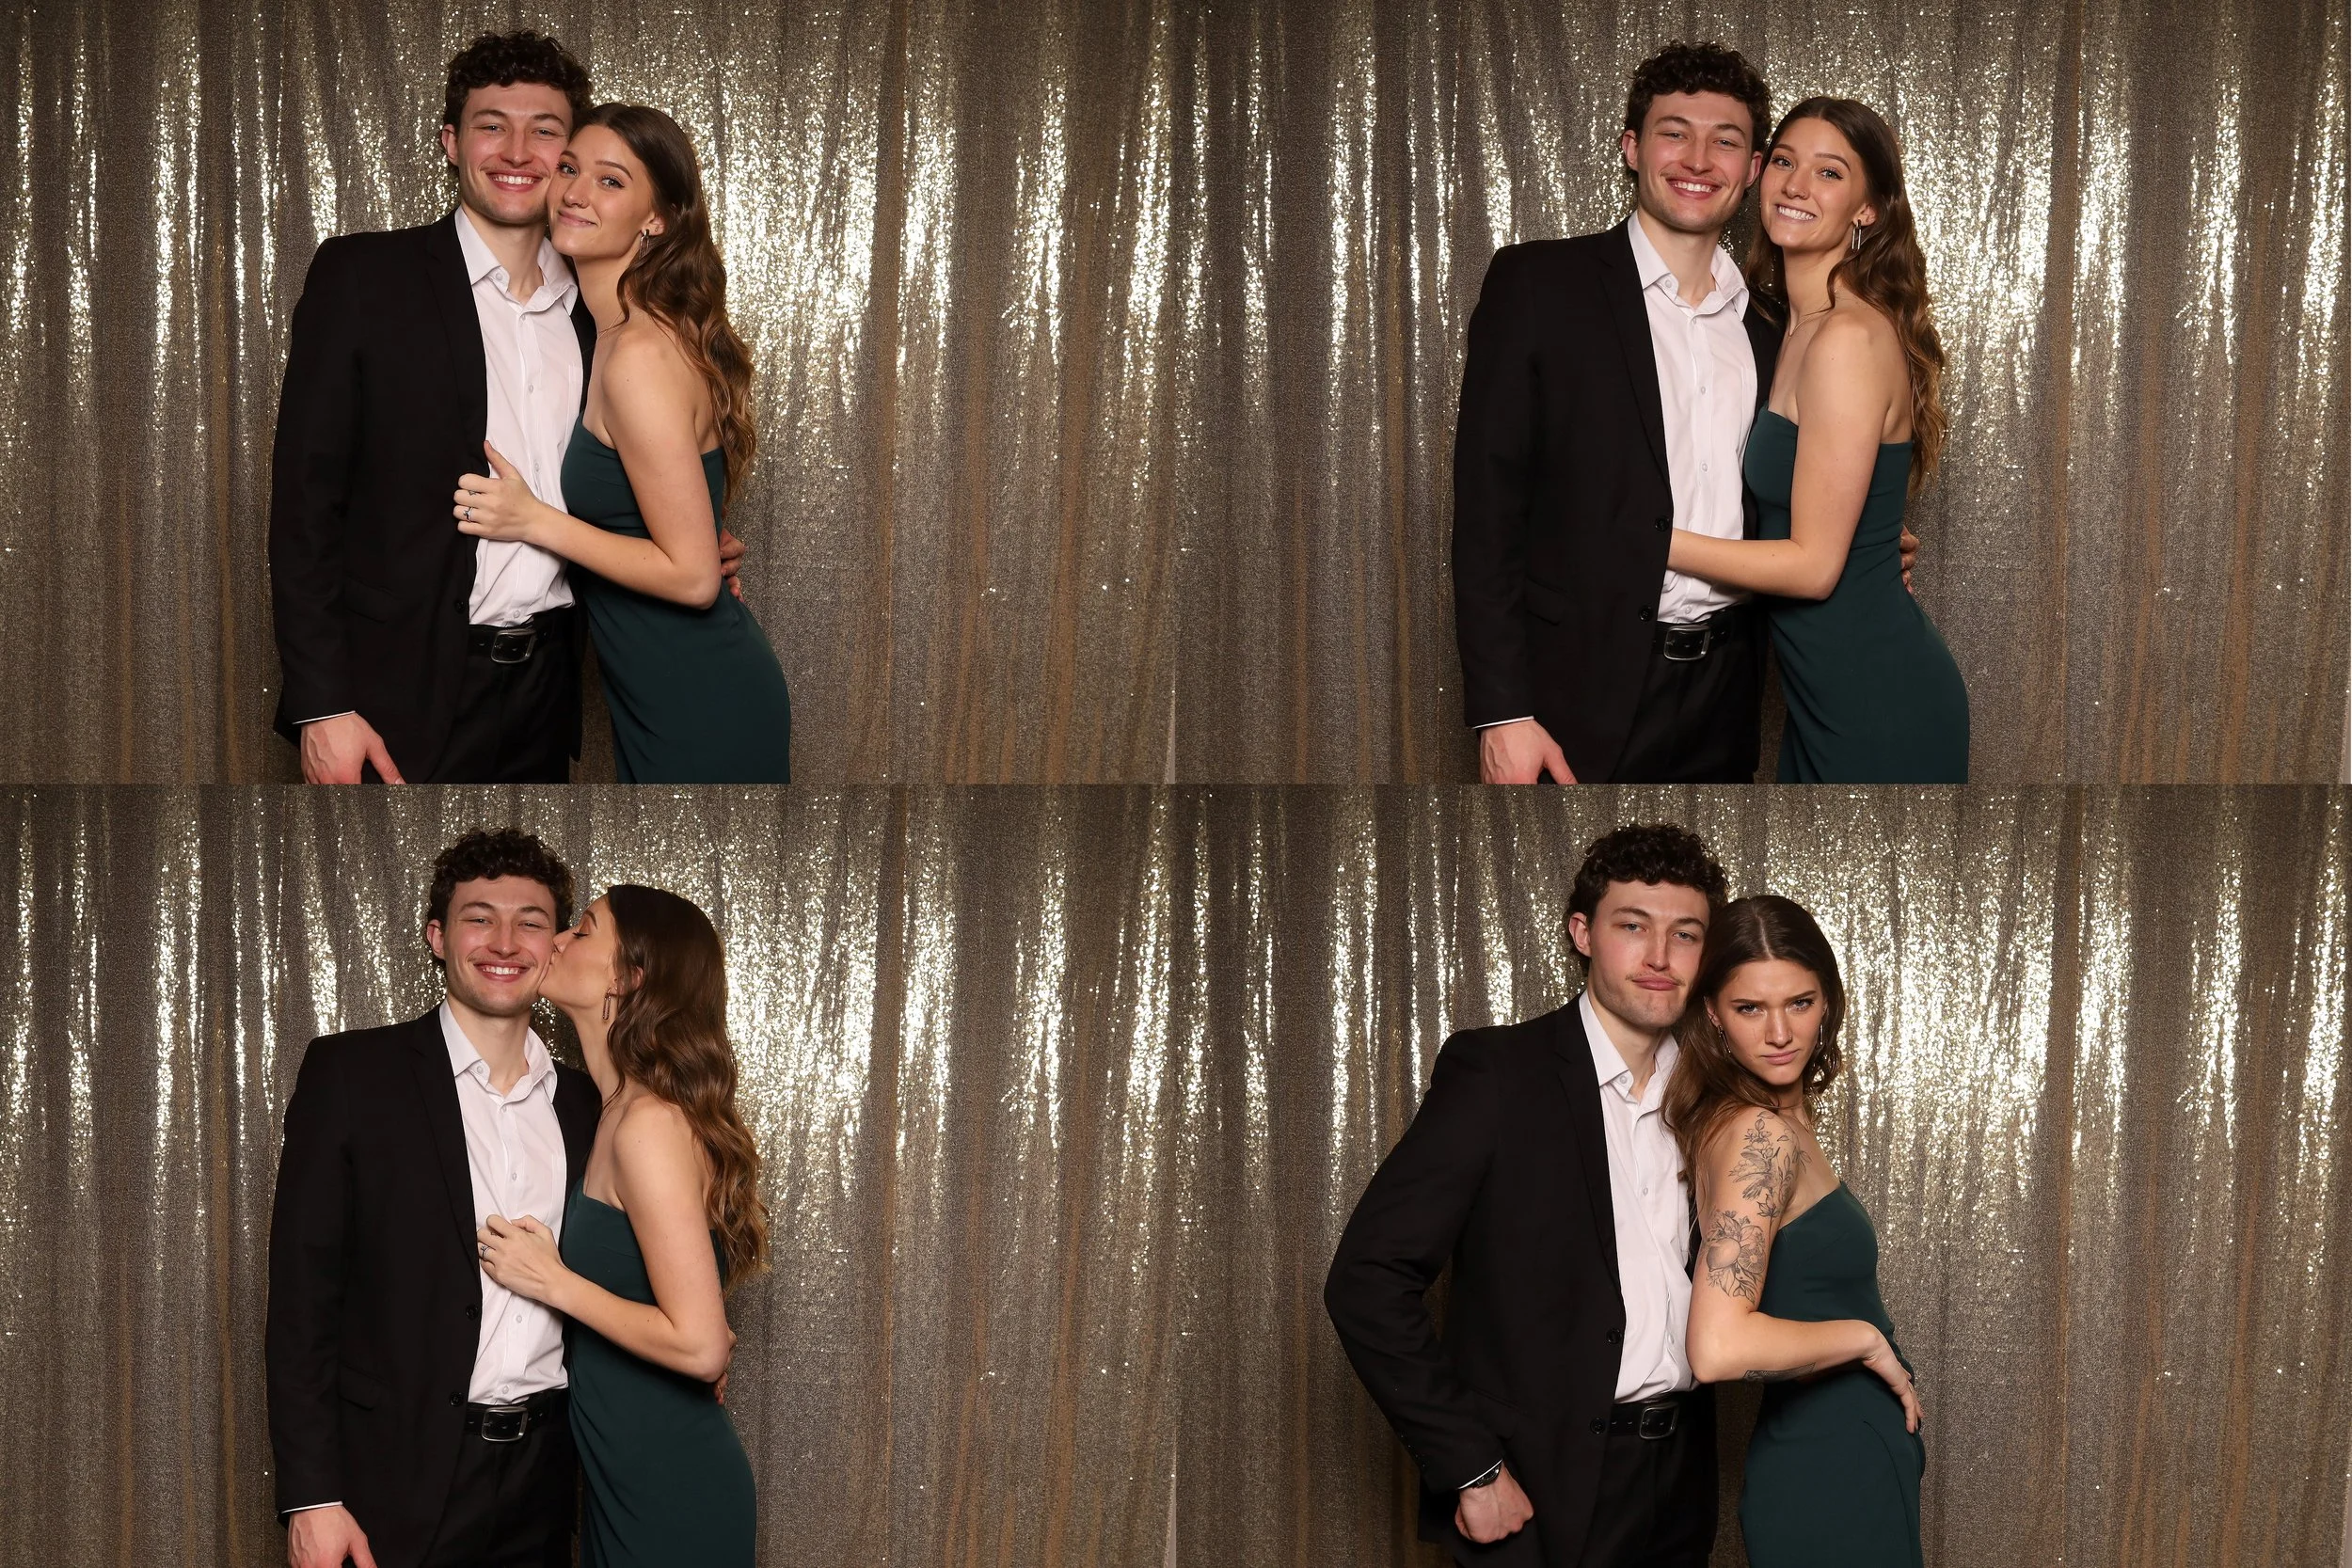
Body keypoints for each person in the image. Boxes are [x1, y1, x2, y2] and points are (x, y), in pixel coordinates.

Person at [267, 32, 741, 784]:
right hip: (396, 697)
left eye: (545, 132)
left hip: (548, 693)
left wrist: (684, 540)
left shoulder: (607, 318)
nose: (517, 151)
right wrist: (321, 706)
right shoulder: (363, 278)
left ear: (569, 157)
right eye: (492, 125)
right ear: (453, 143)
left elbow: (632, 475)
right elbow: (304, 506)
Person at [1451, 43, 1918, 786]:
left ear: (1753, 167)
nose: (1698, 158)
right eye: (1673, 132)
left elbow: (1799, 496)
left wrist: (1864, 540)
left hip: (1728, 696)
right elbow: (1486, 509)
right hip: (1574, 694)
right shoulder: (1539, 286)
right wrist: (1502, 711)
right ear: (1632, 149)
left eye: (1726, 140)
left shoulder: (1778, 330)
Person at [1326, 823, 1730, 1568]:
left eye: (1686, 934)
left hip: (1679, 1483)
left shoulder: (1718, 1098)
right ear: (1582, 931)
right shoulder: (1498, 1075)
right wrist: (1471, 1468)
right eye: (1632, 926)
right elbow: (1366, 1278)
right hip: (1537, 1491)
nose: (1659, 957)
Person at [266, 830, 599, 1568]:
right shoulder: (352, 1073)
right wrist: (313, 1496)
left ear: (556, 946)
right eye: (479, 916)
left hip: (549, 1481)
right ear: (437, 935)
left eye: (532, 920)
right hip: (394, 1478)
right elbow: (302, 1299)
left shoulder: (589, 1103)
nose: (505, 940)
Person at [453, 104, 793, 784]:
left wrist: (533, 521)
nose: (576, 192)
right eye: (571, 169)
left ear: (657, 217)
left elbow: (695, 580)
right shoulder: (605, 334)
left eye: (611, 181)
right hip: (656, 687)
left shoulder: (639, 352)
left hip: (700, 694)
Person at [1661, 101, 1969, 781]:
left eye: (1830, 172)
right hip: (1818, 697)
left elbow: (1814, 567)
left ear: (1868, 210)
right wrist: (1878, 530)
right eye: (1784, 161)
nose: (1797, 185)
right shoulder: (1784, 328)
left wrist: (1649, 539)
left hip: (1878, 699)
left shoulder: (1847, 340)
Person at [474, 884, 765, 1566]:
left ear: (628, 976)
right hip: (618, 1480)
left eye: (584, 928)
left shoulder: (647, 1124)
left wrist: (555, 1281)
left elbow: (700, 1347)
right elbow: (684, 1307)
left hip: (671, 1488)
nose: (559, 940)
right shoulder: (608, 1113)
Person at [1663, 895, 1924, 1565]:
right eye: (1750, 1008)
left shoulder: (1778, 1123)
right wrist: (1867, 1340)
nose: (1779, 1031)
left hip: (1850, 1455)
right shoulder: (1759, 1135)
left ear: (1828, 1002)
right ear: (1714, 1013)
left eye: (1800, 1003)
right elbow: (1717, 1347)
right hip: (1825, 1467)